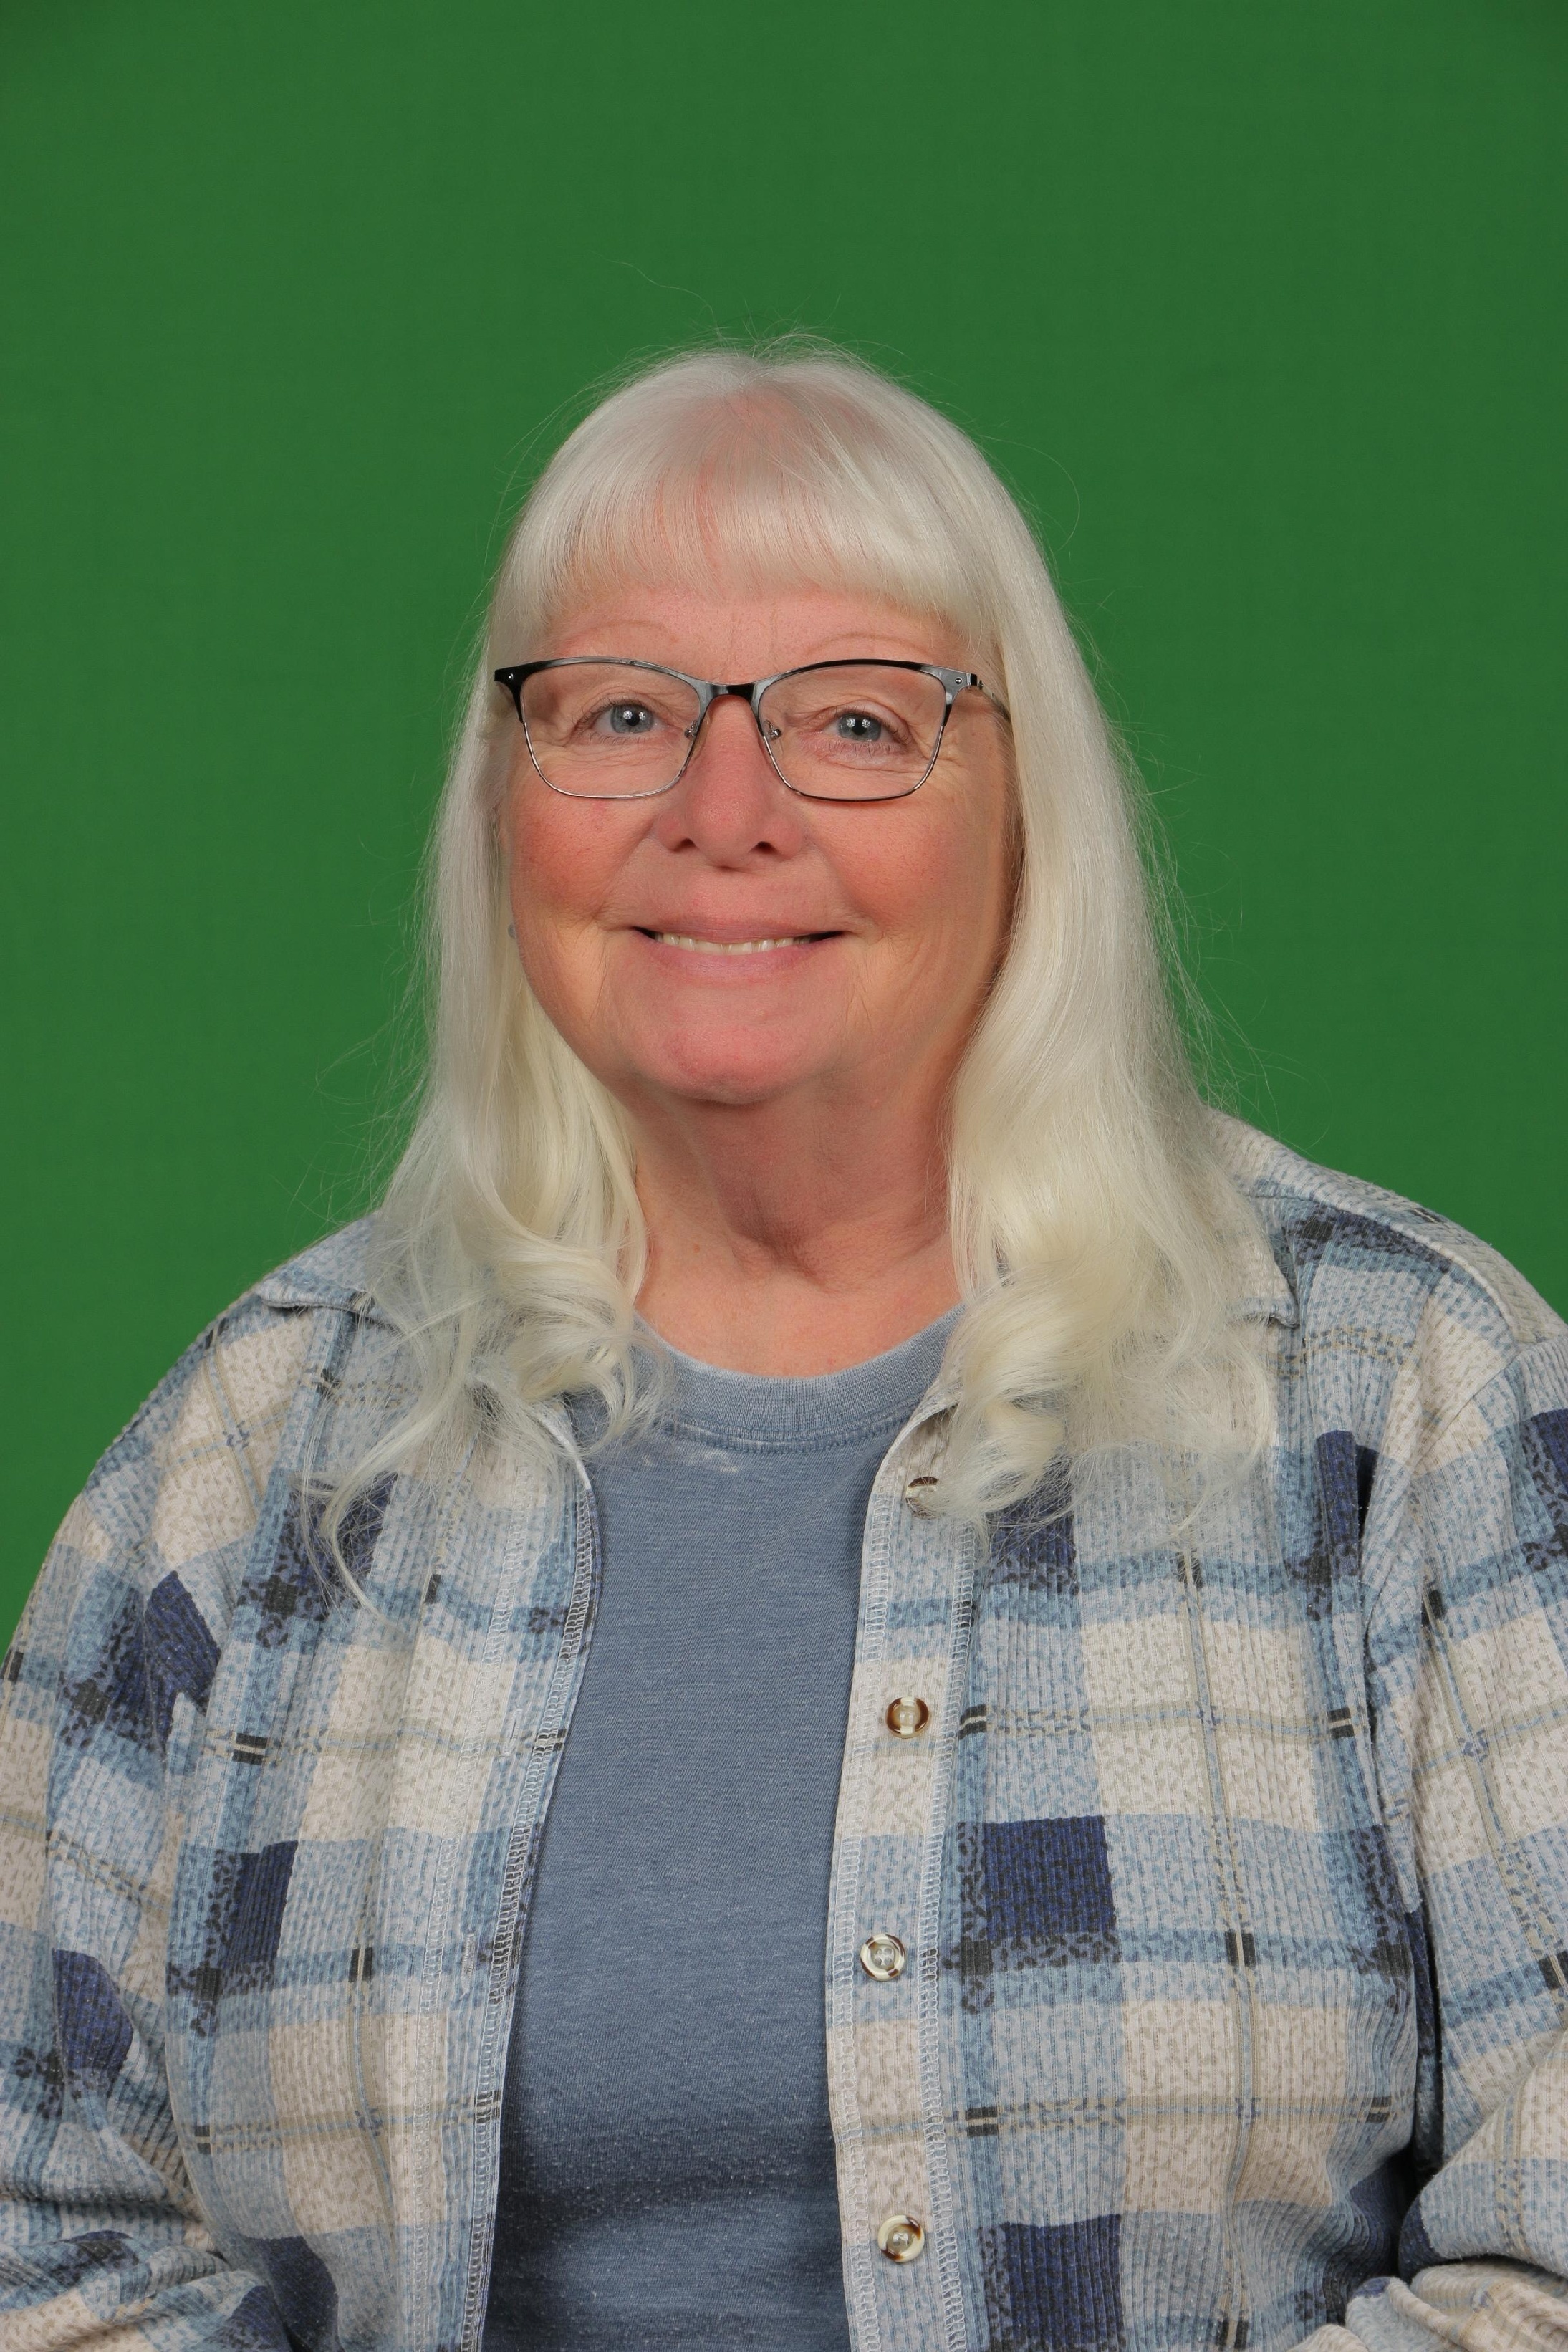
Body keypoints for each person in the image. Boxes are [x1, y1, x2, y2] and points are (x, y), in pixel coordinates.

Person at [1, 344, 1564, 2352]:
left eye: (857, 722)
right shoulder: (255, 1452)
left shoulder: (1403, 1396)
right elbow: (42, 2249)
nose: (723, 812)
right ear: (504, 805)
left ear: (1028, 808)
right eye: (622, 714)